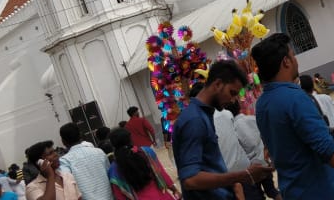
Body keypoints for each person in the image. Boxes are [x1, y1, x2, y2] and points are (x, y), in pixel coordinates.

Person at [251, 33, 334, 200]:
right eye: (292, 55)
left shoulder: (261, 104)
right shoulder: (295, 98)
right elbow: (325, 147)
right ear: (286, 61)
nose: (295, 60)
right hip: (320, 191)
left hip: (292, 190)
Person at [172, 60, 272, 200]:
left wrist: (235, 185)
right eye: (232, 92)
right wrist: (243, 175)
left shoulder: (204, 114)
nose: (232, 100)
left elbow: (210, 166)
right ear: (217, 84)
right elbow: (190, 179)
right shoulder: (194, 120)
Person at [106, 128, 179, 200]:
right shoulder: (146, 152)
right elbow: (161, 173)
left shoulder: (113, 169)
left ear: (113, 145)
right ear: (130, 139)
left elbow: (119, 196)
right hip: (161, 196)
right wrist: (174, 190)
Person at [230, 102, 281, 200]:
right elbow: (266, 135)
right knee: (272, 191)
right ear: (239, 108)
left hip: (250, 170)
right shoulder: (253, 119)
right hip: (264, 162)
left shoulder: (232, 127)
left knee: (256, 196)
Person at [58, 122, 113, 200]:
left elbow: (69, 188)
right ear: (80, 135)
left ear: (63, 141)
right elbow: (110, 175)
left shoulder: (65, 161)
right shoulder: (99, 152)